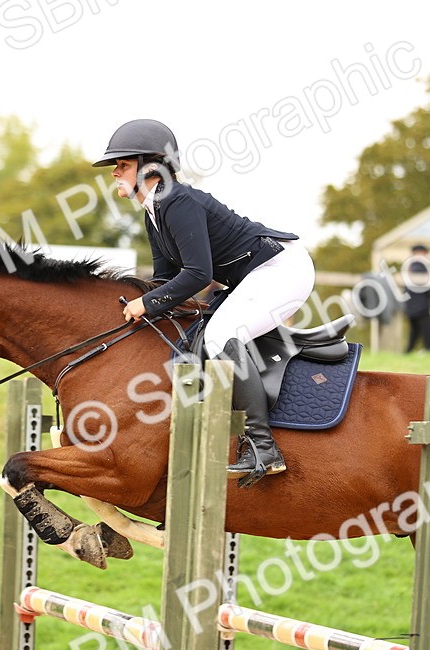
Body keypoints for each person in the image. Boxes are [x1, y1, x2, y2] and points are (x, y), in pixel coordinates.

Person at [93, 119, 315, 487]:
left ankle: (263, 447)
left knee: (220, 336)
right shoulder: (154, 209)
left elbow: (198, 275)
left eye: (123, 164)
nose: (115, 172)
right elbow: (165, 278)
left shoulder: (176, 200)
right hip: (257, 274)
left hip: (282, 269)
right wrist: (135, 302)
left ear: (151, 167)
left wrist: (147, 303)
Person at [403, 244, 430, 353]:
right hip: (419, 304)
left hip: (414, 303)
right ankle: (428, 349)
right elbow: (424, 282)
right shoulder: (418, 265)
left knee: (415, 330)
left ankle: (409, 351)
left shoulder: (412, 265)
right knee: (426, 328)